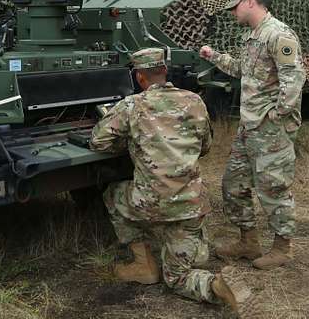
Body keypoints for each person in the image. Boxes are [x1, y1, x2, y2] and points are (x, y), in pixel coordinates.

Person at [90, 47, 263, 318]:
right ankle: (215, 285)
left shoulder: (132, 105)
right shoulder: (194, 100)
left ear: (139, 77)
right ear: (165, 71)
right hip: (192, 204)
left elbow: (98, 141)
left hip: (150, 203)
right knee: (179, 277)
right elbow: (205, 146)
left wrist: (132, 141)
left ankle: (143, 264)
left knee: (113, 194)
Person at [200, 0, 306, 269]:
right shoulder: (253, 37)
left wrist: (277, 115)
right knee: (233, 185)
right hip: (249, 129)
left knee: (273, 188)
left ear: (249, 2)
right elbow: (242, 71)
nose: (233, 12)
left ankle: (283, 248)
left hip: (269, 129)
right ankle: (248, 242)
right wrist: (214, 57)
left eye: (234, 7)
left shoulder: (278, 34)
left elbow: (294, 79)